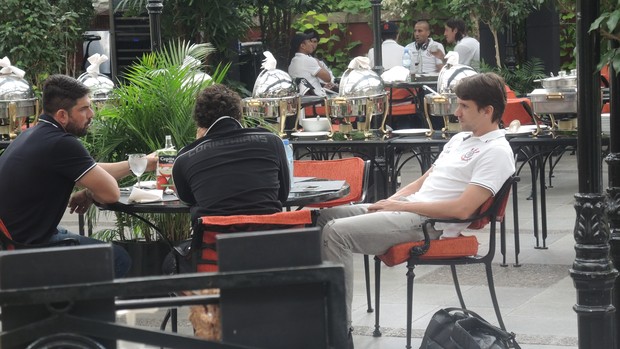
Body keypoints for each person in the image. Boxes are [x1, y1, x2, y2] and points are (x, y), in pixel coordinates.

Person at [315, 72, 515, 342]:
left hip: (429, 224)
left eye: (464, 106)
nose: (456, 112)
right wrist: (392, 202)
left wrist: (401, 207)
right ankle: (315, 313)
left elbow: (461, 210)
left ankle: (338, 332)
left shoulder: (497, 151)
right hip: (409, 210)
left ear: (488, 110)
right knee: (321, 217)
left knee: (336, 232)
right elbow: (424, 181)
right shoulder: (460, 140)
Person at [0, 74, 157, 278]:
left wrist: (142, 164)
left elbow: (92, 169)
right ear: (63, 115)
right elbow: (110, 193)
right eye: (84, 109)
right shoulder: (61, 143)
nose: (91, 114)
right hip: (29, 247)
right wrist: (91, 193)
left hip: (14, 240)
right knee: (117, 259)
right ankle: (67, 310)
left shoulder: (35, 134)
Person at [172, 84, 290, 223]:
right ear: (239, 113)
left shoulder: (185, 158)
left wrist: (200, 144)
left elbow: (188, 199)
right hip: (268, 240)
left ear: (199, 121)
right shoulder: (272, 142)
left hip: (215, 241)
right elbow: (282, 195)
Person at [288, 32, 336, 97]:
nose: (312, 44)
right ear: (302, 46)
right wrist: (317, 62)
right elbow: (328, 78)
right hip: (317, 101)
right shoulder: (308, 60)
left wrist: (322, 86)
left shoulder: (292, 62)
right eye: (309, 42)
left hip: (303, 99)